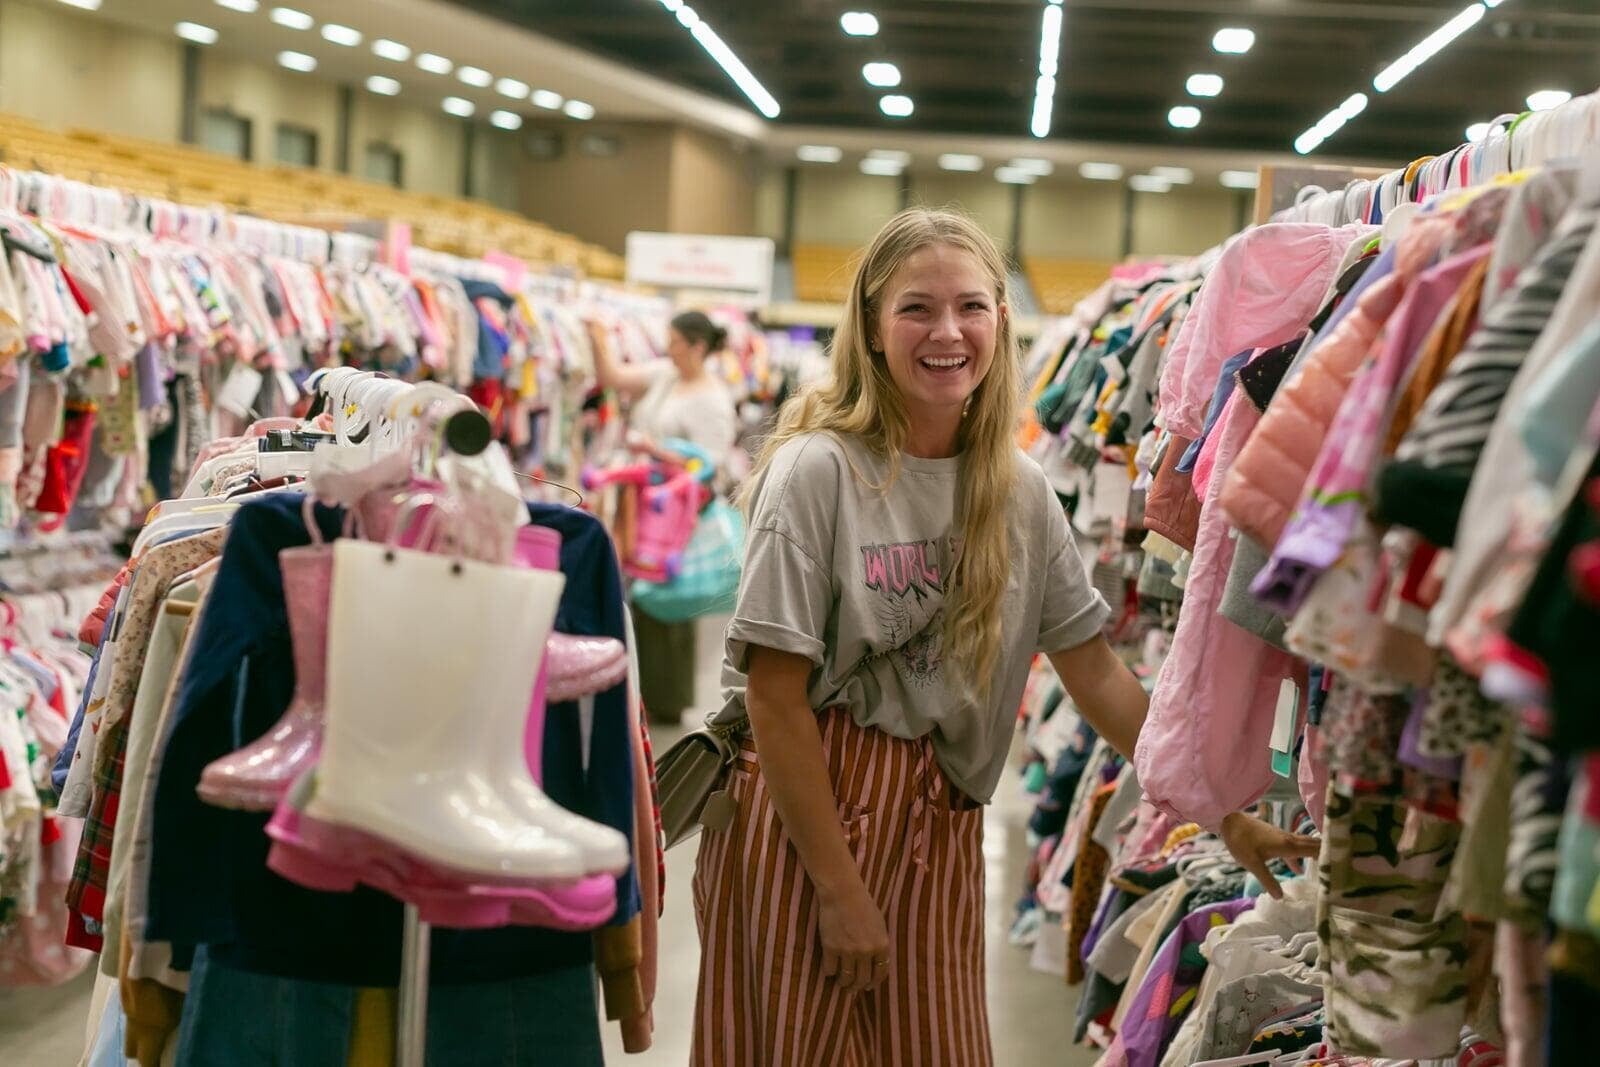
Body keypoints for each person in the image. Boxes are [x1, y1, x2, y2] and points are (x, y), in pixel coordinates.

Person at [692, 209, 1318, 1065]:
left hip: (939, 818)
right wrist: (838, 888)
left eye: (971, 307)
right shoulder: (818, 471)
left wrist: (1219, 810)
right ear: (873, 329)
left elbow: (1094, 671)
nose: (947, 331)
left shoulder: (1017, 489)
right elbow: (773, 696)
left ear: (998, 321)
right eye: (916, 308)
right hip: (811, 812)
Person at [593, 310, 738, 725]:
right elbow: (614, 378)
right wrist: (596, 334)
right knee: (643, 589)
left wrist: (656, 453)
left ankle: (667, 698)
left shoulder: (712, 400)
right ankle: (644, 689)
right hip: (643, 500)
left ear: (696, 346)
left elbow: (709, 465)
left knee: (669, 596)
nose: (668, 348)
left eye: (674, 341)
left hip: (677, 510)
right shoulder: (665, 375)